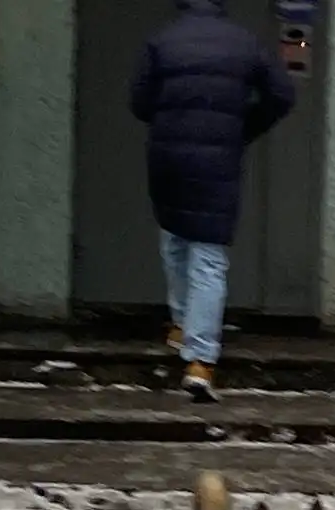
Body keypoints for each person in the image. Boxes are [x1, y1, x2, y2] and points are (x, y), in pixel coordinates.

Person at [130, 0, 296, 401]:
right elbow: (282, 94)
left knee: (174, 237)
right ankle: (200, 362)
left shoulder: (162, 40)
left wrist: (172, 120)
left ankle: (181, 324)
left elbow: (138, 102)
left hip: (168, 155)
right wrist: (243, 126)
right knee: (208, 258)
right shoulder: (245, 42)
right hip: (219, 158)